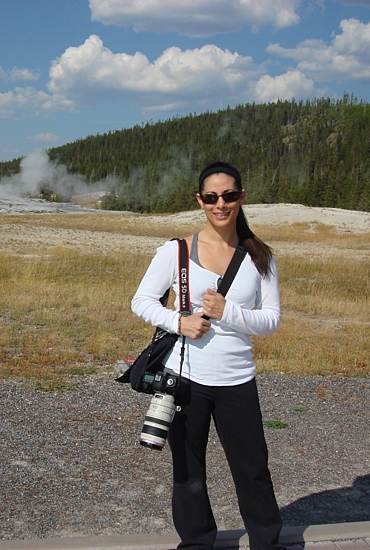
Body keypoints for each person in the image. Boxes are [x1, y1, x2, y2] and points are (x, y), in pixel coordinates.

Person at [131, 161, 284, 550]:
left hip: (237, 379)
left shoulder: (260, 256)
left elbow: (270, 320)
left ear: (242, 197)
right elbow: (142, 301)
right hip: (185, 379)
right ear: (200, 200)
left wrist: (225, 312)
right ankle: (198, 543)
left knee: (252, 470)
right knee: (187, 471)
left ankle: (266, 542)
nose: (221, 204)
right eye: (212, 197)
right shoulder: (175, 251)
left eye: (229, 196)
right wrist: (177, 323)